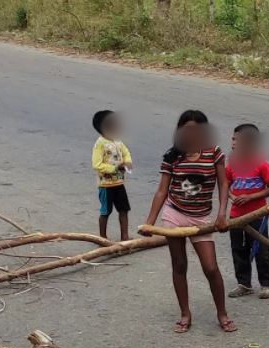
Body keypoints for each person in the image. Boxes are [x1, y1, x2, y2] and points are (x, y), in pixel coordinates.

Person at [140, 110, 235, 333]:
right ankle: (185, 313)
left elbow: (223, 184)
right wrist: (149, 223)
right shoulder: (172, 156)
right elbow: (162, 190)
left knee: (211, 267)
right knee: (179, 264)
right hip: (174, 213)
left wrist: (222, 214)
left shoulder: (214, 153)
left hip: (201, 217)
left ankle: (222, 313)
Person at [226, 124, 269, 299]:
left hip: (257, 215)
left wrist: (250, 197)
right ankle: (244, 284)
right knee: (239, 249)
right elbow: (225, 185)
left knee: (261, 249)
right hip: (236, 216)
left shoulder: (262, 164)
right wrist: (232, 196)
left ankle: (266, 284)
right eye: (233, 139)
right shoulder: (232, 163)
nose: (233, 142)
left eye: (237, 139)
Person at [91, 110, 132, 241]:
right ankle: (102, 237)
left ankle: (124, 236)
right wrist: (114, 168)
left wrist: (128, 162)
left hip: (119, 183)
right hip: (106, 185)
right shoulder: (100, 144)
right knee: (105, 211)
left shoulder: (117, 141)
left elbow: (126, 152)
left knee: (124, 210)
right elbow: (97, 164)